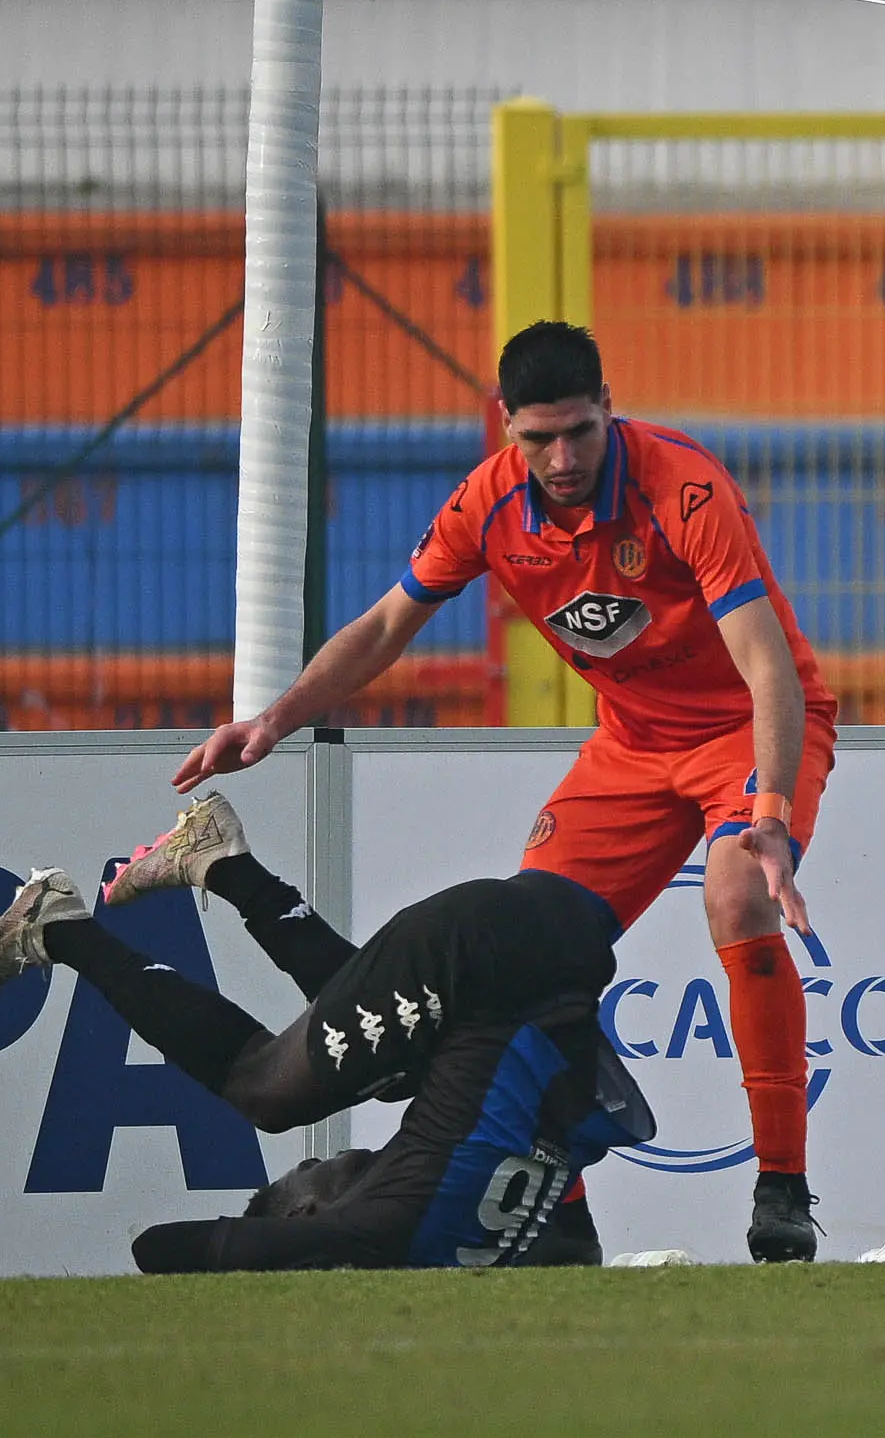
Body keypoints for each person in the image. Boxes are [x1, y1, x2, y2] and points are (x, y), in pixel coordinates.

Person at [170, 321, 835, 1262]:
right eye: (537, 438)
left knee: (735, 895)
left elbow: (766, 665)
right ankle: (559, 1198)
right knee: (525, 955)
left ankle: (782, 1189)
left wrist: (767, 811)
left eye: (579, 432)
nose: (561, 458)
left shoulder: (683, 486)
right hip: (632, 746)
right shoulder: (487, 504)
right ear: (505, 426)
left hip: (745, 732)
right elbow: (385, 626)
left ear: (609, 408)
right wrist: (273, 720)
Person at [0, 791, 653, 1271]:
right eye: (306, 1172)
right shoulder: (368, 1226)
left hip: (557, 956)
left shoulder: (442, 1212)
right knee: (269, 1093)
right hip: (502, 953)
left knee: (387, 1074)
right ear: (306, 1212)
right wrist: (285, 1245)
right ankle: (69, 926)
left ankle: (209, 865)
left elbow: (159, 1248)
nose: (322, 1160)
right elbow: (162, 1248)